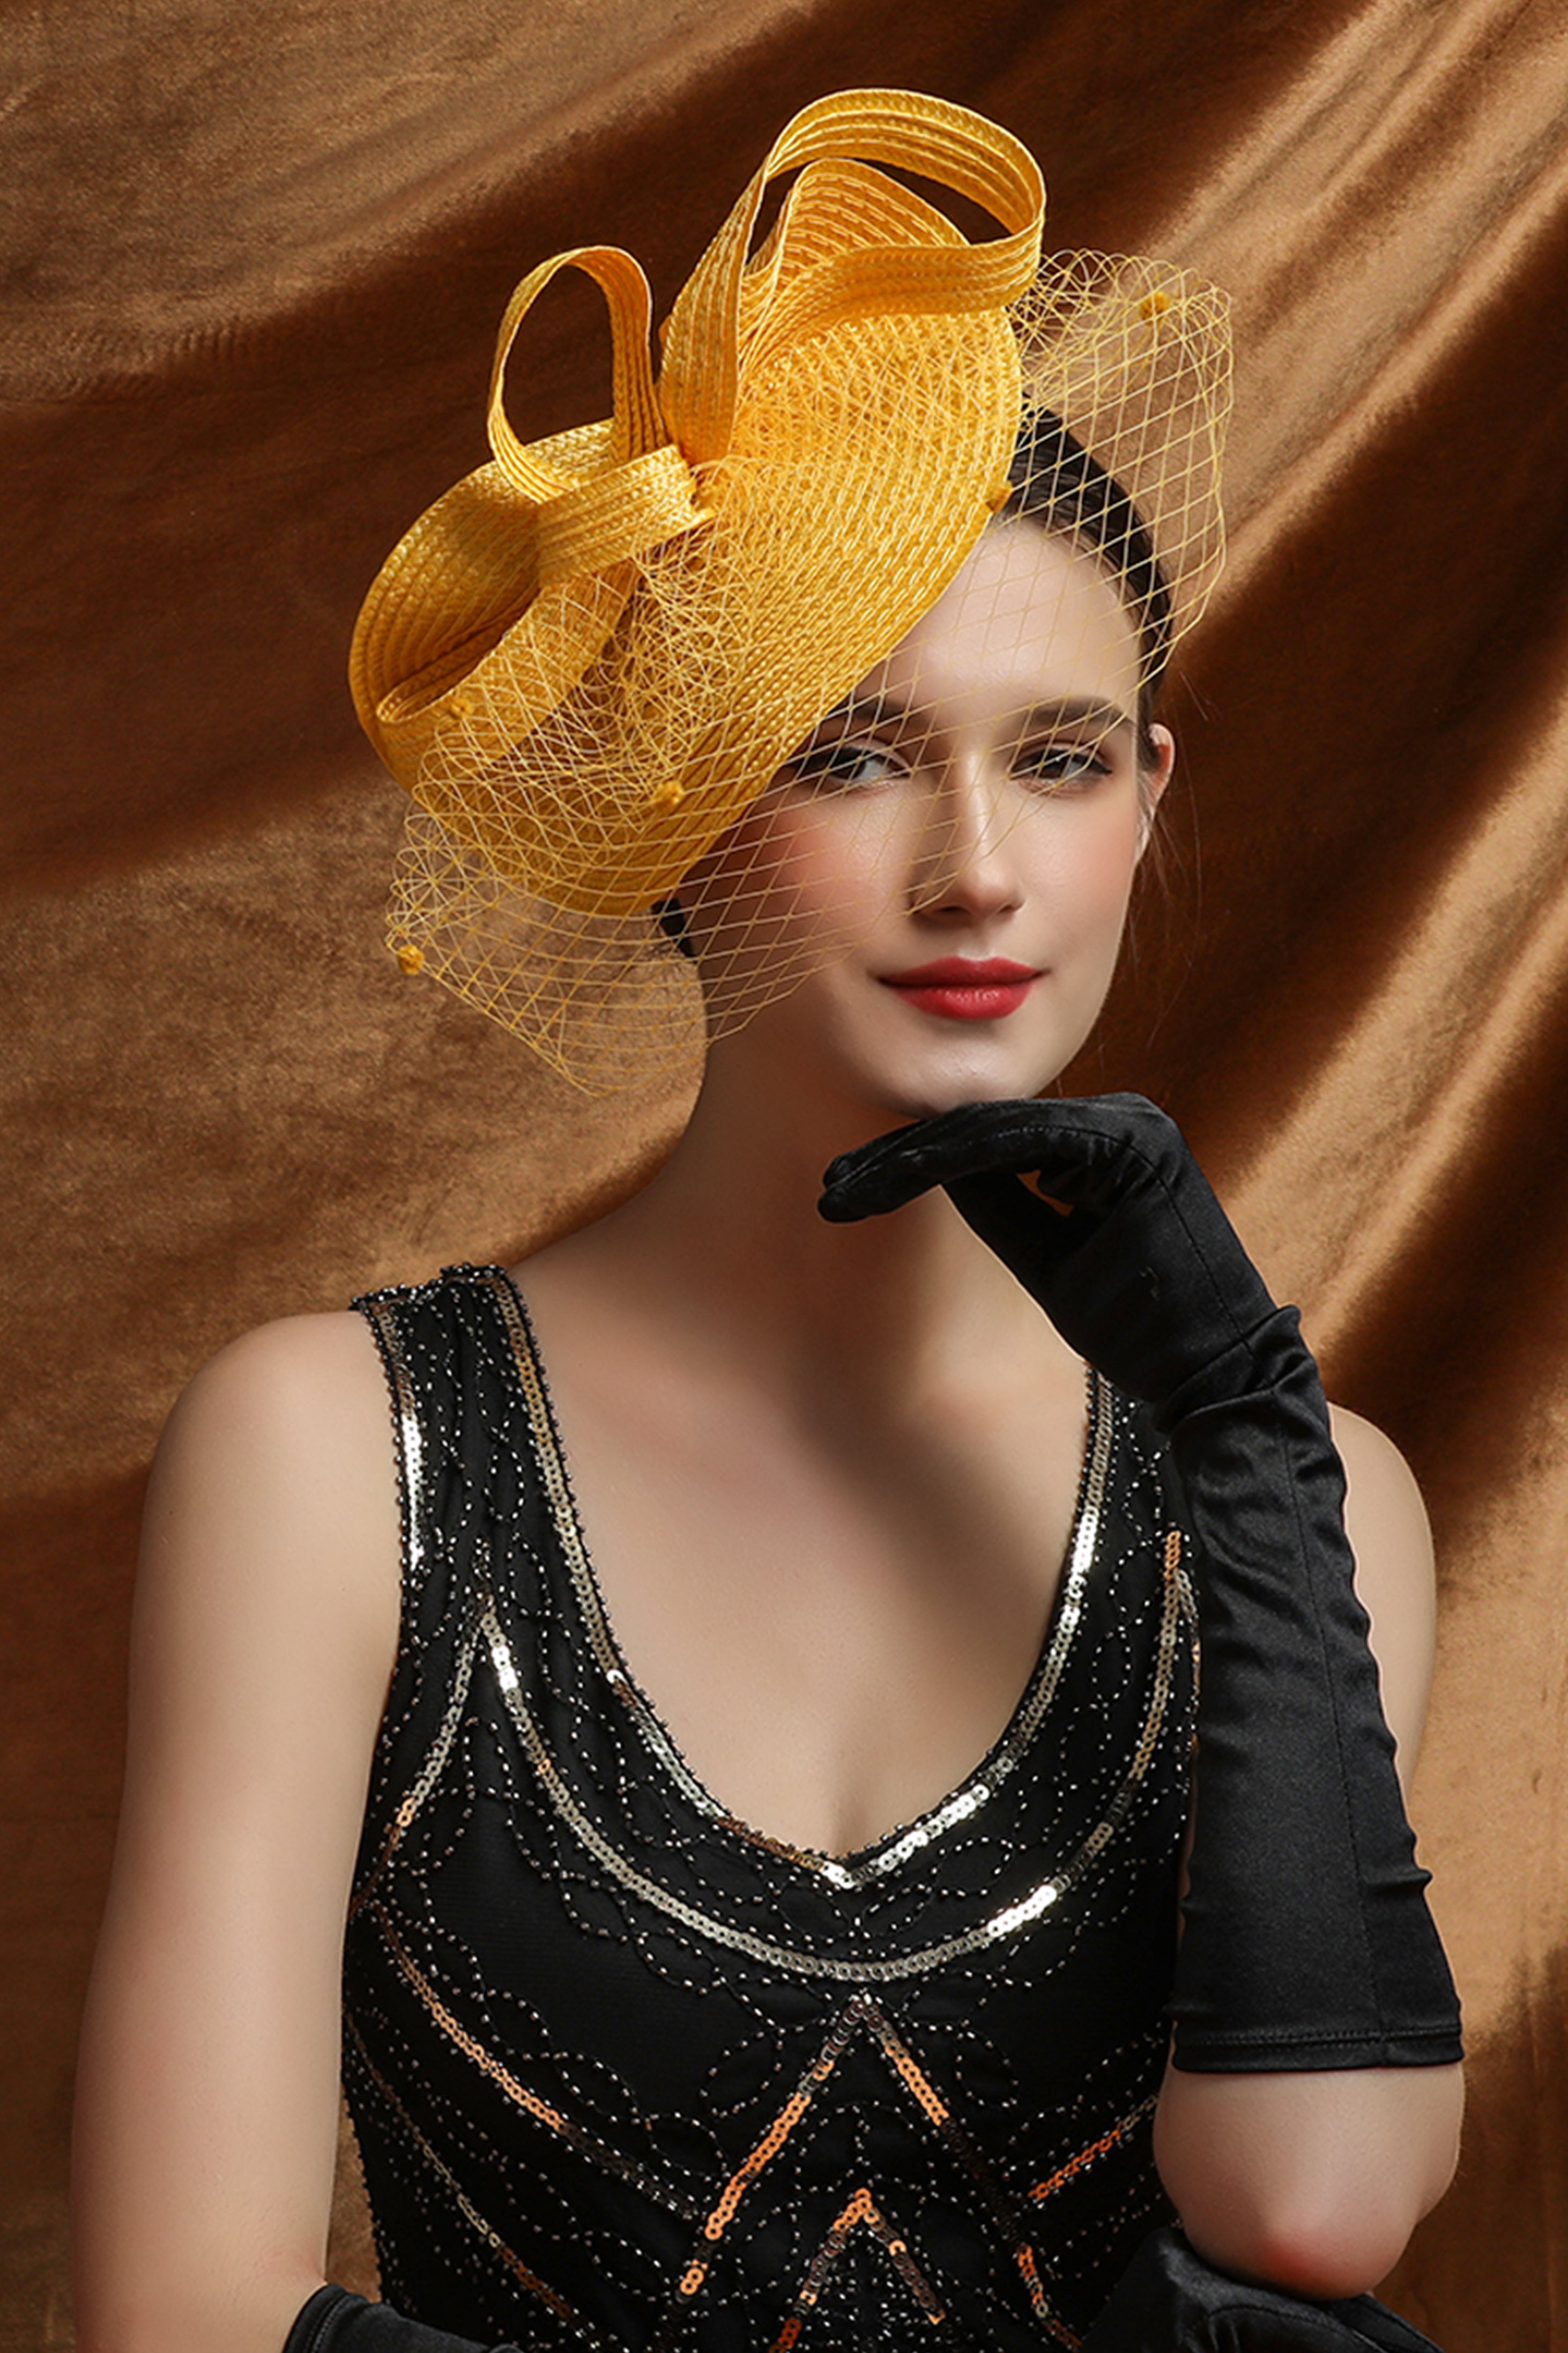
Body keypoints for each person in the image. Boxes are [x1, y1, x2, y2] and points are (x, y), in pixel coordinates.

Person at [70, 90, 1463, 2353]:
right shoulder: (334, 1451)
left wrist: (1247, 1425)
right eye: (853, 751)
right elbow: (177, 2309)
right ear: (688, 794)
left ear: (1148, 799)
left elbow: (1314, 2214)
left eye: (1060, 756)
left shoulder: (1303, 1492)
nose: (977, 869)